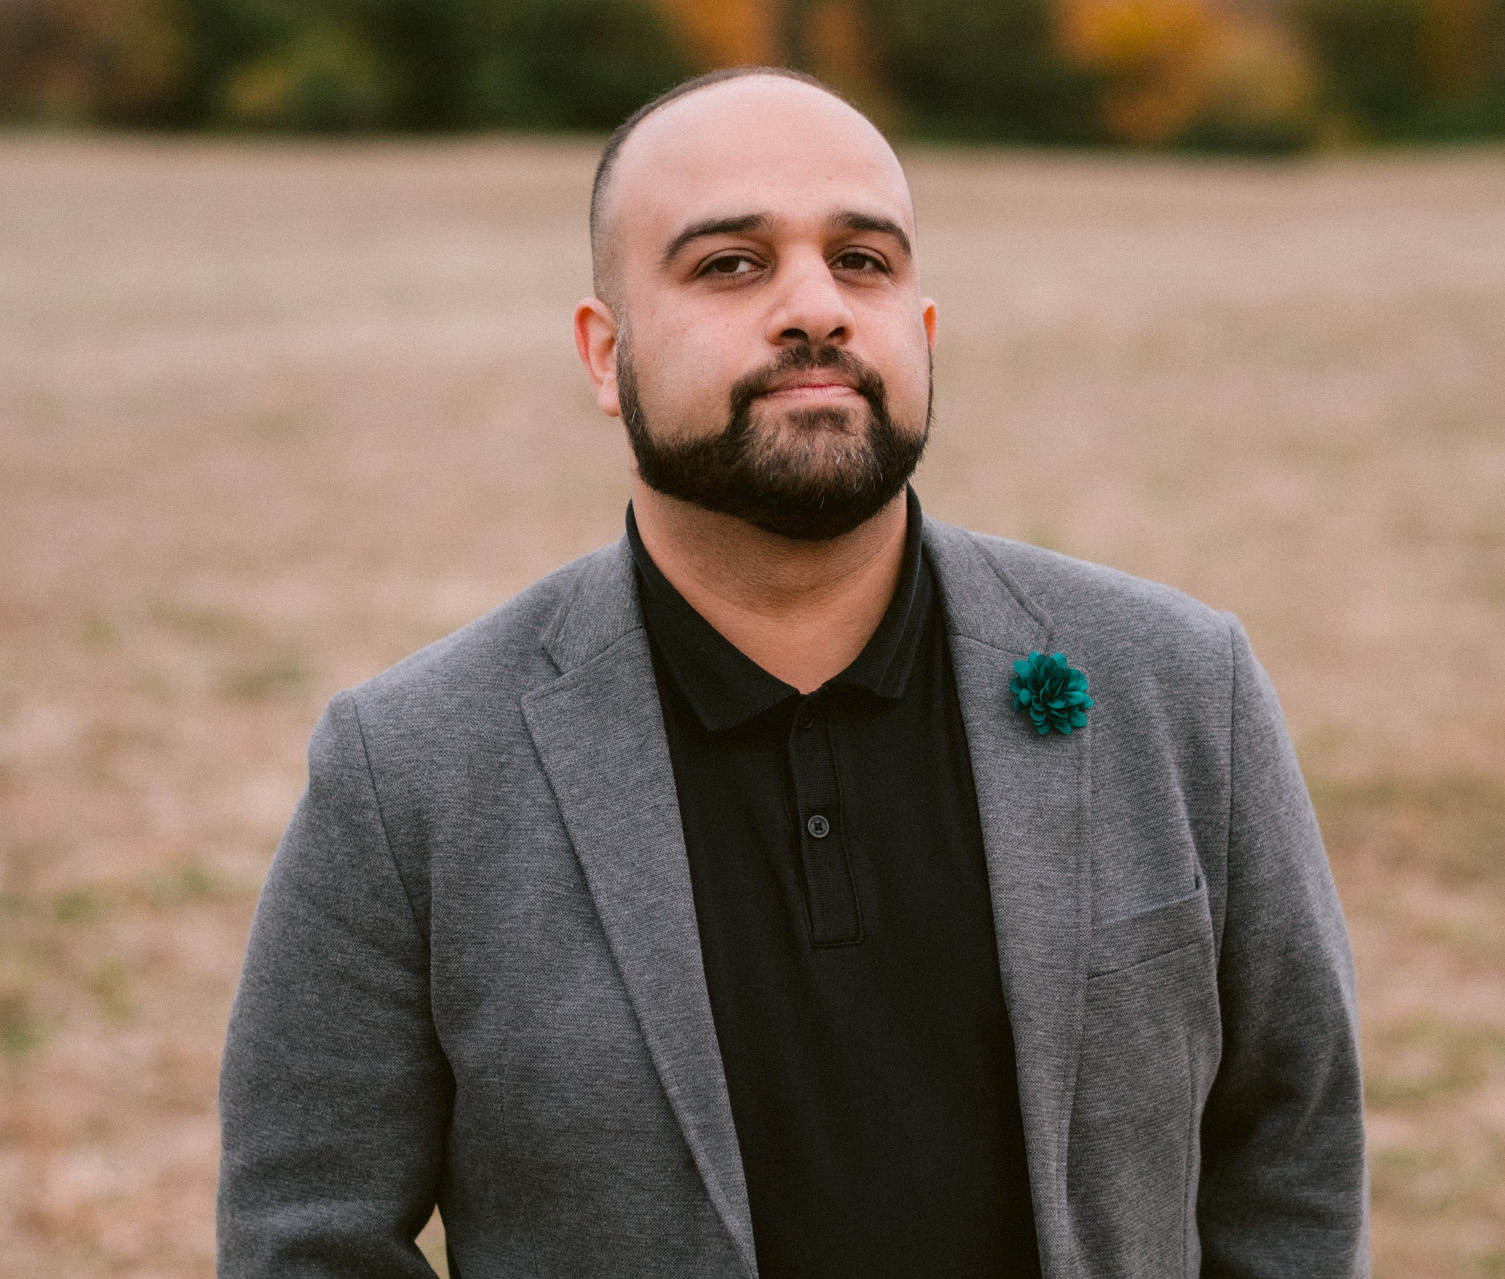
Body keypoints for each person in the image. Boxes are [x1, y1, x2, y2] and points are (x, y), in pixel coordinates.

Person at [217, 66, 1368, 1279]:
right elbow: (307, 1237)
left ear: (922, 331)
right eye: (730, 264)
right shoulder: (408, 772)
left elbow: (1291, 1152)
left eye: (863, 261)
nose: (815, 307)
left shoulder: (1179, 687)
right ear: (605, 355)